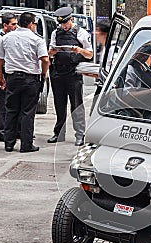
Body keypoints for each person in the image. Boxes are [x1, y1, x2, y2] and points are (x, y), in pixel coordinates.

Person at [0, 12, 49, 153]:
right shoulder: (37, 39)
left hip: (12, 78)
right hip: (30, 79)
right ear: (31, 24)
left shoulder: (6, 38)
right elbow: (45, 59)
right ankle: (26, 145)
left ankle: (9, 143)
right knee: (27, 112)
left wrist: (0, 76)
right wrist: (43, 74)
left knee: (11, 110)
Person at [47, 7, 93, 146]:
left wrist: (79, 50)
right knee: (59, 105)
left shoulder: (81, 33)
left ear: (71, 19)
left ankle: (80, 135)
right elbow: (49, 53)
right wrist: (53, 51)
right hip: (58, 72)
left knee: (76, 105)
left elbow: (90, 55)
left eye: (65, 23)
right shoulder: (56, 33)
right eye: (61, 24)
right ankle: (59, 133)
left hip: (73, 73)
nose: (64, 26)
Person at [0, 12, 18, 141]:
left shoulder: (10, 37)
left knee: (11, 104)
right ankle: (2, 131)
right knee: (3, 105)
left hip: (10, 73)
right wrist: (1, 75)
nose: (15, 26)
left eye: (16, 24)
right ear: (5, 25)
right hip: (3, 74)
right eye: (13, 24)